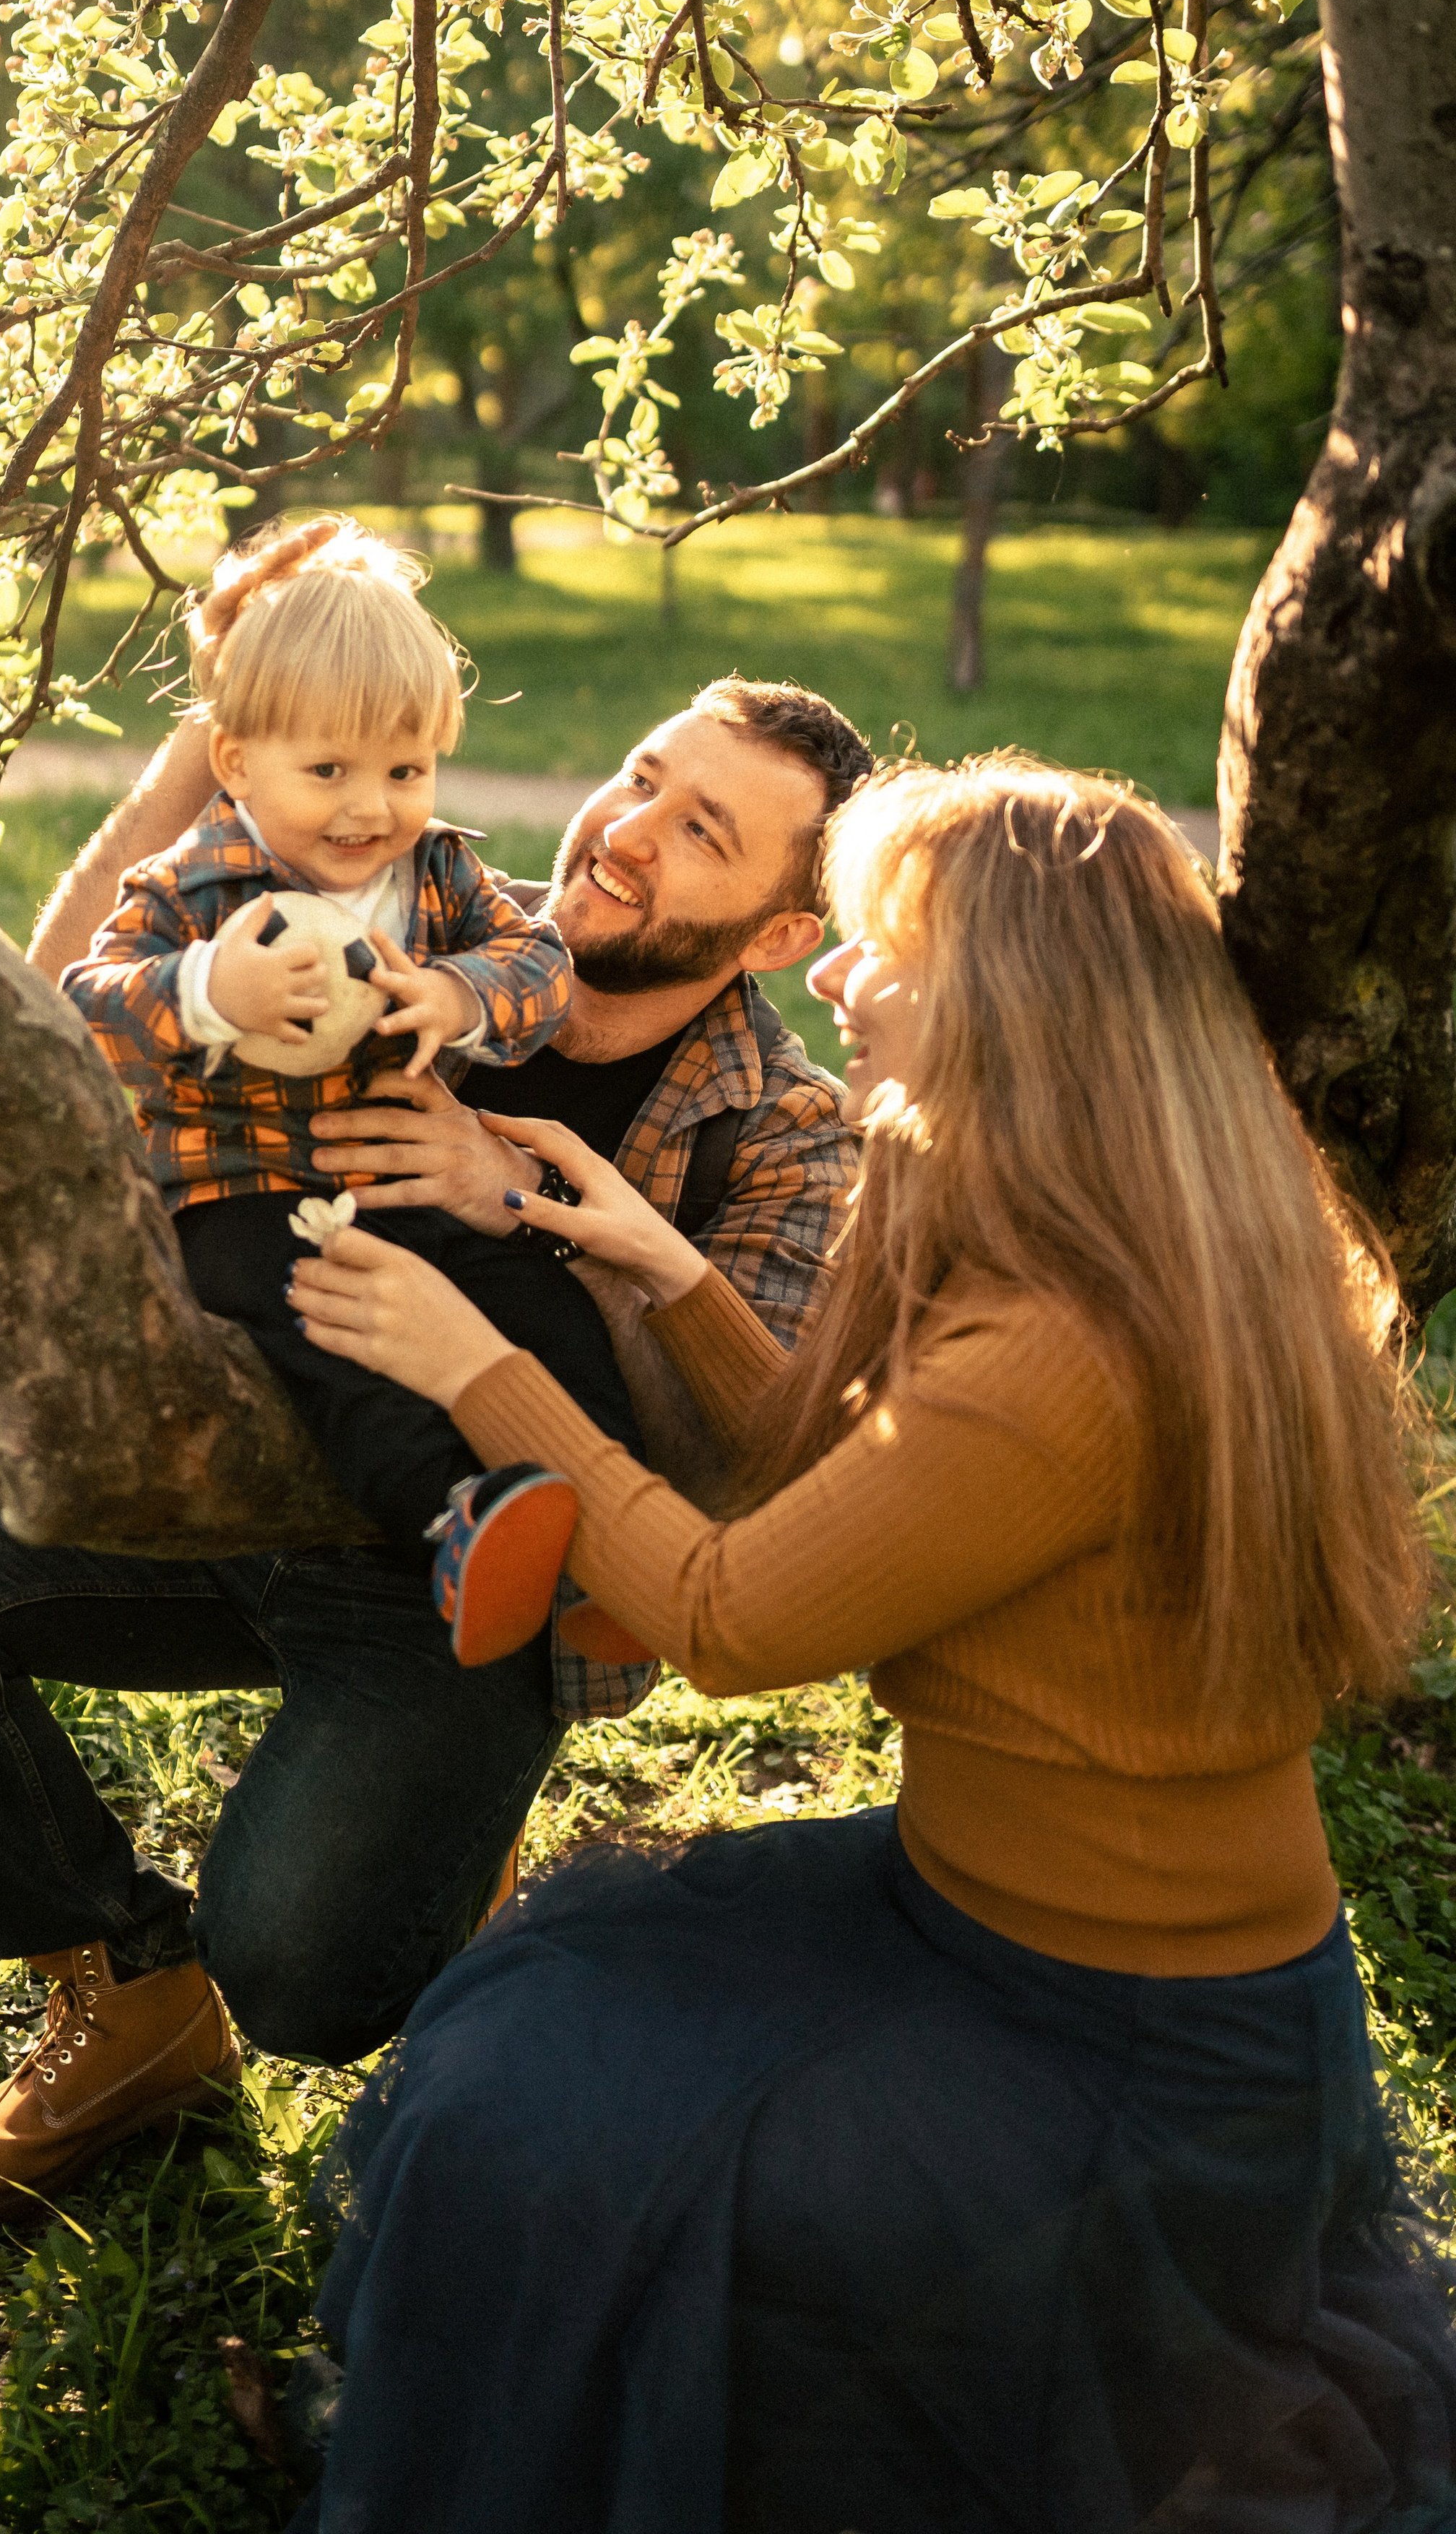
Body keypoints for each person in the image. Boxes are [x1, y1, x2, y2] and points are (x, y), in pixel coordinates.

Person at [282, 756, 1456, 2533]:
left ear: (1009, 997)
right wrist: (661, 1268)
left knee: (552, 2126)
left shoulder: (1068, 1354)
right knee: (540, 2022)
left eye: (880, 939)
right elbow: (863, 1492)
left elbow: (735, 1617)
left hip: (1113, 2045)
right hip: (967, 1915)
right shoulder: (1103, 1242)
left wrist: (471, 1366)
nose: (829, 973)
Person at [0, 662, 870, 2234]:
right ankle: (132, 2008)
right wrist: (213, 735)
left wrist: (532, 1215)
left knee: (303, 1974)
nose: (625, 832)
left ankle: (445, 1845)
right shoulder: (433, 915)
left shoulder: (778, 1126)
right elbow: (62, 1016)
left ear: (781, 934)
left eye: (699, 831)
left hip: (468, 1590)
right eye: (639, 774)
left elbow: (737, 1452)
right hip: (232, 1492)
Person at [59, 511, 644, 1658]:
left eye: (404, 769)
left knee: (547, 1310)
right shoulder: (192, 887)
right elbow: (87, 1004)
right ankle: (457, 1525)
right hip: (244, 1202)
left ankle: (619, 1537)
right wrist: (208, 988)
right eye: (326, 770)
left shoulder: (438, 873)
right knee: (332, 1347)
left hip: (407, 1181)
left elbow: (542, 964)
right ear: (236, 762)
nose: (369, 807)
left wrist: (460, 995)